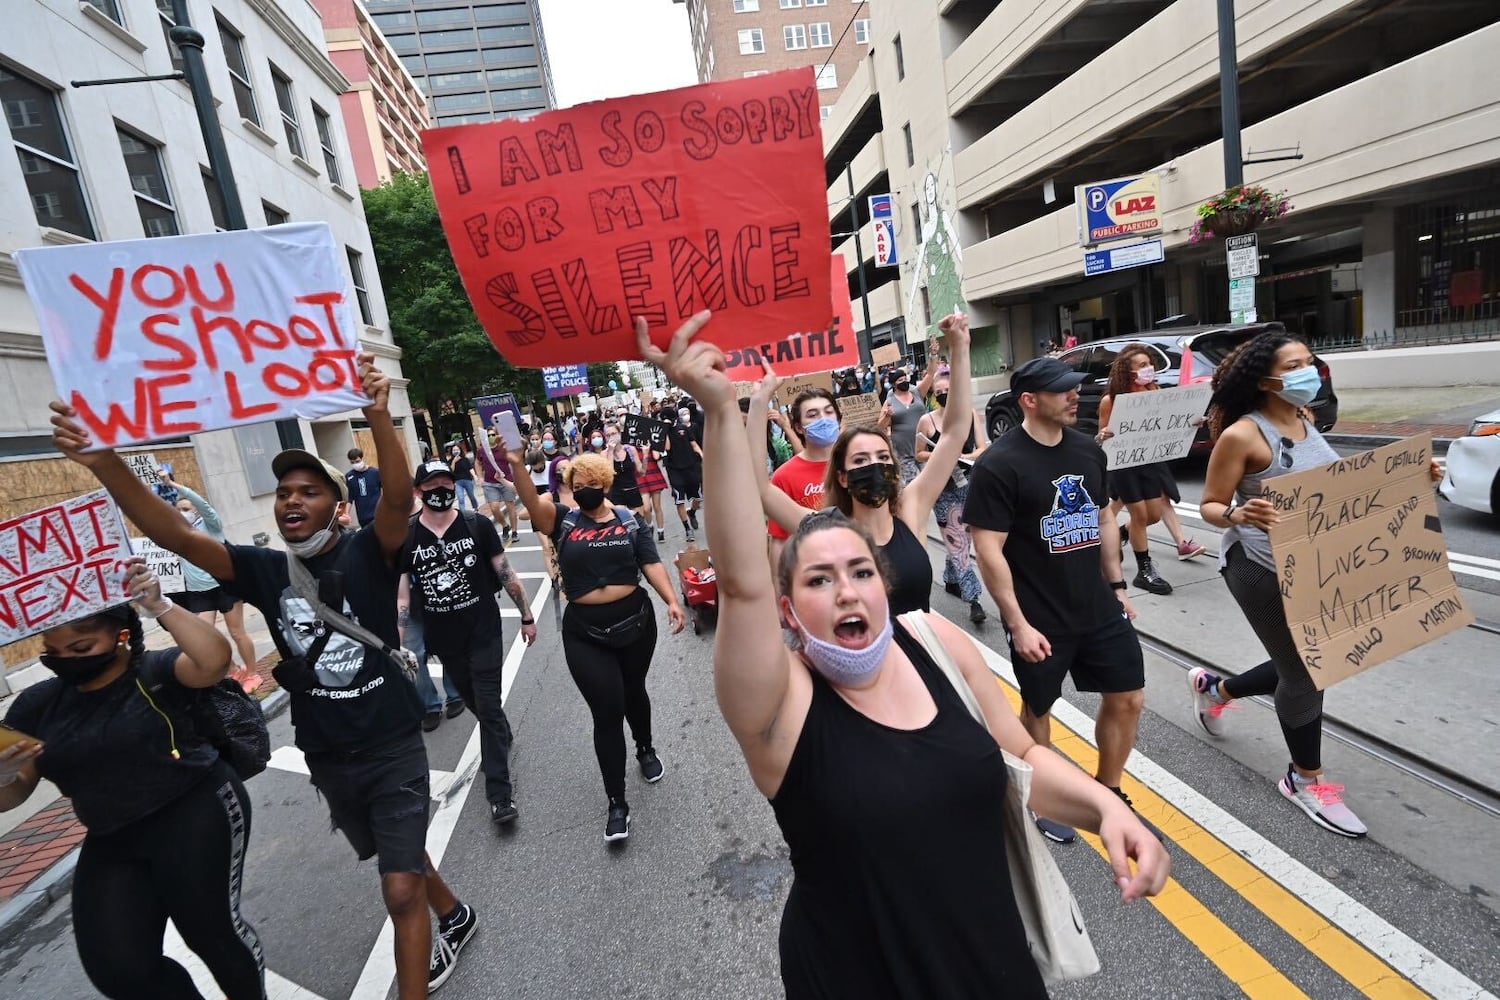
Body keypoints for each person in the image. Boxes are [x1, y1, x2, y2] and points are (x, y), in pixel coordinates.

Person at [640, 310, 1168, 998]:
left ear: (886, 586)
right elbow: (740, 580)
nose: (847, 590)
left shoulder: (935, 641)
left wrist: (1107, 809)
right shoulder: (780, 703)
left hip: (991, 961)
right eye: (819, 580)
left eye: (860, 573)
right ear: (788, 610)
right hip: (863, 972)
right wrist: (724, 408)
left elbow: (1023, 758)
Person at [49, 353, 478, 997]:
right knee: (403, 854)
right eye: (283, 493)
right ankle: (456, 913)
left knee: (397, 890)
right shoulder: (260, 570)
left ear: (336, 506)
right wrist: (107, 463)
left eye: (308, 491)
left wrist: (376, 416)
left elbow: (395, 495)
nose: (291, 501)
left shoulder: (372, 549)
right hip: (329, 755)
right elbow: (174, 532)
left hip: (392, 744)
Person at [1195, 332, 1441, 837]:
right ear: (1266, 380)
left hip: (1317, 567)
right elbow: (1210, 506)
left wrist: (1414, 479)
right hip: (1261, 571)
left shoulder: (1304, 418)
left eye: (1310, 360)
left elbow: (1339, 487)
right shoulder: (1243, 435)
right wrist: (1239, 512)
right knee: (1308, 674)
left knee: (1305, 662)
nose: (1310, 370)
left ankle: (1216, 689)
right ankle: (1304, 779)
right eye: (1296, 365)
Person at [1, 558, 263, 1000]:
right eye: (53, 651)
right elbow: (13, 794)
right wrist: (6, 772)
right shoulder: (35, 707)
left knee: (213, 935)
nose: (67, 661)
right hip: (112, 837)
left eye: (82, 648)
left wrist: (159, 604)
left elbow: (215, 660)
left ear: (122, 636)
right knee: (118, 967)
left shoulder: (155, 673)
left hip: (196, 813)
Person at [963, 356, 1152, 846]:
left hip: (1097, 606)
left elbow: (1105, 518)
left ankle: (1108, 789)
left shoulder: (1089, 450)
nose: (1075, 396)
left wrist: (1117, 585)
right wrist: (1017, 623)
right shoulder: (1000, 464)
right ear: (1030, 400)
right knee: (1040, 707)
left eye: (1076, 388)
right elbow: (988, 549)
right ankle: (1043, 798)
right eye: (1063, 390)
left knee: (1128, 696)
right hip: (1039, 615)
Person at [508, 450, 686, 842]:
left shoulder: (627, 519)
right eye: (578, 486)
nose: (585, 491)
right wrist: (518, 464)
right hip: (585, 632)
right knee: (607, 710)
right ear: (570, 488)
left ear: (605, 484)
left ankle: (645, 747)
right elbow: (529, 501)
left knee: (634, 691)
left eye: (592, 485)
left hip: (636, 623)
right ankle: (617, 803)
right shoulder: (561, 520)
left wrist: (672, 600)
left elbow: (650, 563)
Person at [754, 314, 976, 621]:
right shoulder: (826, 528)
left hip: (916, 656)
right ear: (842, 477)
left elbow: (954, 433)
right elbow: (761, 487)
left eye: (883, 457)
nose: (874, 465)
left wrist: (960, 349)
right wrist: (760, 401)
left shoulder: (911, 509)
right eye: (860, 460)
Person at [398, 460, 536, 827]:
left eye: (446, 482)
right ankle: (501, 732)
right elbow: (402, 598)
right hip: (444, 640)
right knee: (475, 701)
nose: (441, 490)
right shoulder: (408, 537)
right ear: (418, 492)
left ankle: (499, 795)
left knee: (488, 705)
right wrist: (400, 644)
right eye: (432, 485)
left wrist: (526, 615)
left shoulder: (476, 524)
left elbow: (505, 571)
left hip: (484, 630)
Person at [1093, 345, 1201, 597]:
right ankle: (1144, 570)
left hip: (1150, 461)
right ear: (1127, 370)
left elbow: (1168, 423)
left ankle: (1121, 533)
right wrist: (1103, 435)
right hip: (1125, 464)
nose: (1148, 369)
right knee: (1140, 516)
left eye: (1148, 363)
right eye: (1141, 365)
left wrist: (1192, 423)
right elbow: (1101, 435)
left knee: (1152, 515)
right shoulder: (1111, 400)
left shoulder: (1155, 391)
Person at [167, 475, 262, 692]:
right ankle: (233, 669)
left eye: (186, 508)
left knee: (236, 631)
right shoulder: (176, 533)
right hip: (199, 592)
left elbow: (204, 505)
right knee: (204, 636)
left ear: (196, 511)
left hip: (223, 586)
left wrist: (173, 485)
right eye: (178, 509)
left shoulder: (212, 526)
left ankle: (253, 673)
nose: (182, 512)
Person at [915, 362, 991, 623]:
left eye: (949, 388)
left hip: (970, 486)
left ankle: (950, 578)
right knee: (958, 544)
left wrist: (961, 456)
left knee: (961, 540)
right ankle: (974, 600)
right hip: (943, 491)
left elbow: (982, 448)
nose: (944, 392)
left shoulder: (969, 414)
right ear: (934, 394)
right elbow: (919, 454)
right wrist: (940, 455)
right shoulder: (926, 421)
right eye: (939, 389)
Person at [764, 387, 841, 557]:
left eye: (829, 412)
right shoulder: (783, 476)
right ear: (799, 428)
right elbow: (779, 540)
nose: (823, 419)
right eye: (813, 415)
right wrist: (779, 582)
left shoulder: (857, 464)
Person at [878, 365, 931, 482]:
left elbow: (930, 375)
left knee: (930, 481)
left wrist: (933, 356)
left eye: (905, 378)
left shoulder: (917, 393)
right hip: (904, 453)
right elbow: (880, 426)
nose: (904, 381)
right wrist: (887, 416)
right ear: (894, 385)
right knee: (911, 484)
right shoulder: (890, 402)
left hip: (923, 449)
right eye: (900, 380)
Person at [664, 404, 704, 542]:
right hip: (674, 470)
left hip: (690, 467)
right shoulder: (663, 432)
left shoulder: (684, 429)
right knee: (679, 501)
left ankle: (692, 512)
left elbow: (694, 444)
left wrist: (702, 455)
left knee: (698, 498)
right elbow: (667, 448)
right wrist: (665, 429)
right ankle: (687, 528)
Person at [476, 429, 521, 544]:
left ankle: (514, 531)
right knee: (494, 507)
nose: (491, 437)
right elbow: (477, 462)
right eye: (489, 435)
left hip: (506, 480)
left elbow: (513, 460)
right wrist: (480, 477)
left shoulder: (503, 448)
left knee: (510, 506)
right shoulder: (482, 450)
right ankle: (505, 526)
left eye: (493, 434)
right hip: (490, 483)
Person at [604, 426, 648, 524]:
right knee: (623, 522)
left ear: (620, 434)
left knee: (639, 521)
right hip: (617, 493)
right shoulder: (605, 453)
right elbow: (609, 474)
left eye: (614, 434)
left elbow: (642, 471)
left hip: (632, 490)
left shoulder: (630, 449)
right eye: (608, 435)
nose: (611, 437)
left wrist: (645, 456)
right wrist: (610, 451)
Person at [633, 439, 671, 543]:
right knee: (646, 508)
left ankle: (661, 531)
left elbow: (656, 456)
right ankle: (650, 526)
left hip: (653, 474)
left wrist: (652, 445)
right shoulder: (631, 446)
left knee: (657, 506)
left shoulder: (650, 442)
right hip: (640, 476)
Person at [346, 447, 383, 528]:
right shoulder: (349, 476)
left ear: (362, 458)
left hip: (378, 514)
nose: (356, 464)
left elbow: (386, 491)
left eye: (357, 461)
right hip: (363, 517)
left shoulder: (375, 473)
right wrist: (346, 513)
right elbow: (350, 497)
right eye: (352, 462)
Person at [449, 444, 477, 512]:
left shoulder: (465, 459)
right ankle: (463, 513)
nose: (456, 451)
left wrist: (474, 476)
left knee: (471, 496)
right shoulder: (450, 461)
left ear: (460, 450)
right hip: (457, 482)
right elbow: (451, 470)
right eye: (454, 450)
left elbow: (470, 468)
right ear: (452, 451)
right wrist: (454, 462)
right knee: (460, 498)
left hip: (467, 480)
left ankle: (475, 507)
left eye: (457, 450)